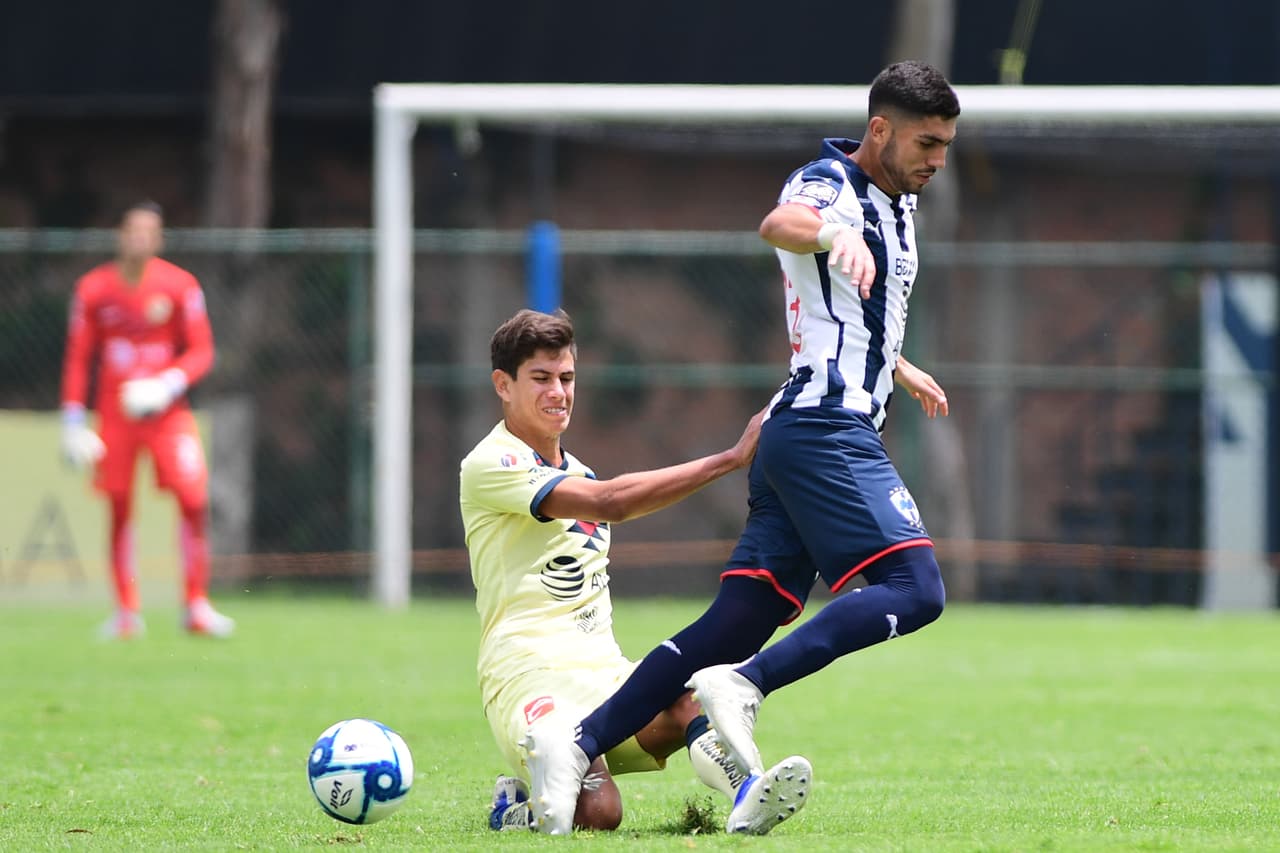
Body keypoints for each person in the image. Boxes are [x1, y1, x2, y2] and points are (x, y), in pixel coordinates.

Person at [526, 60, 959, 834]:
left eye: (948, 144)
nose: (938, 159)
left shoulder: (899, 204)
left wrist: (897, 364)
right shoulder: (830, 185)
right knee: (917, 587)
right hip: (826, 428)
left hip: (800, 427)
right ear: (881, 130)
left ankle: (577, 741)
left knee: (736, 616)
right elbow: (780, 224)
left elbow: (845, 313)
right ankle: (747, 685)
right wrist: (832, 231)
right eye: (927, 142)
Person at [459, 308, 812, 835]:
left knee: (690, 696)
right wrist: (731, 459)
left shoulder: (579, 471)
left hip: (605, 673)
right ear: (502, 386)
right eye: (541, 379)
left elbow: (604, 496)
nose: (558, 391)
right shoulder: (491, 464)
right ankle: (514, 807)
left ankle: (747, 793)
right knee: (601, 816)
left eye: (567, 377)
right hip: (526, 680)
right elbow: (612, 502)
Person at [60, 200, 234, 640]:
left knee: (194, 500)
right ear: (120, 234)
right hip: (115, 417)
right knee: (119, 507)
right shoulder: (93, 289)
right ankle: (125, 612)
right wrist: (72, 419)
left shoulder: (180, 286)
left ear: (158, 238)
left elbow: (202, 351)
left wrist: (167, 384)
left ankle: (195, 604)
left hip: (167, 414)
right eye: (131, 229)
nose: (138, 238)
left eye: (147, 231)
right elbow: (80, 357)